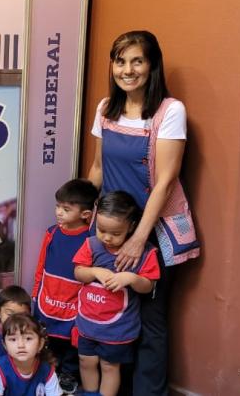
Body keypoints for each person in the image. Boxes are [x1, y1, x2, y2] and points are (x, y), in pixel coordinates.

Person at [87, 30, 200, 394]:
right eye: (121, 61)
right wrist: (85, 224)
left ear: (152, 65)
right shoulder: (106, 108)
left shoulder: (170, 111)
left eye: (137, 60)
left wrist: (138, 239)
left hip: (151, 233)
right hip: (110, 229)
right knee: (108, 308)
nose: (128, 69)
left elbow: (166, 182)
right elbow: (97, 169)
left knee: (150, 320)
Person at [73, 192, 160, 396]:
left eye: (115, 233)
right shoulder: (92, 245)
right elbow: (78, 272)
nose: (107, 238)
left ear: (131, 227)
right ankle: (90, 393)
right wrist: (94, 271)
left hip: (117, 329)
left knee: (109, 366)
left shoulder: (144, 253)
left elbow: (149, 285)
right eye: (101, 230)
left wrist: (130, 278)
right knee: (86, 361)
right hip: (88, 322)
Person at [32, 179, 99, 392]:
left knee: (72, 339)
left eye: (66, 209)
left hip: (74, 298)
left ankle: (69, 372)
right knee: (48, 336)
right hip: (49, 293)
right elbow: (41, 264)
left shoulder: (91, 239)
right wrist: (36, 291)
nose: (59, 212)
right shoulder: (52, 233)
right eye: (58, 206)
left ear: (86, 215)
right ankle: (48, 371)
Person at [0, 313, 62, 396]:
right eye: (13, 339)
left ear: (40, 344)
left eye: (28, 338)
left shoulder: (47, 371)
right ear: (5, 345)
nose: (21, 345)